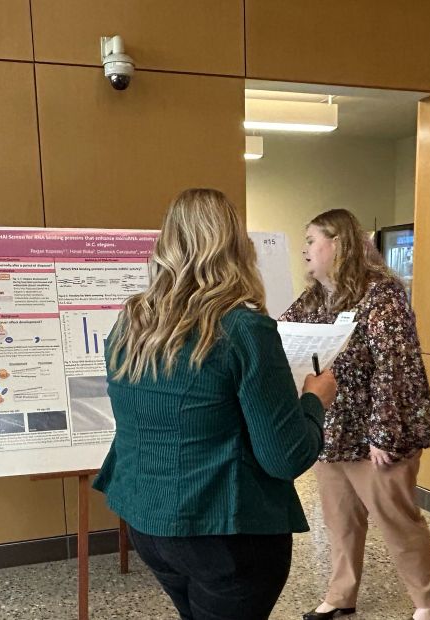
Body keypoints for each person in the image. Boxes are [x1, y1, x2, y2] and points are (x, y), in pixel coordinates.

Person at [93, 188, 337, 620]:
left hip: (148, 524)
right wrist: (315, 400)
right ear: (236, 248)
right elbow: (286, 457)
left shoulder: (131, 323)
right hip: (225, 533)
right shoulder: (244, 329)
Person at [280, 209, 430, 620]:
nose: (305, 249)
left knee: (396, 520)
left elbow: (396, 366)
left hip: (376, 432)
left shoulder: (381, 294)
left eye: (313, 239)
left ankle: (427, 600)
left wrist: (385, 434)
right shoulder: (316, 297)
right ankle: (341, 594)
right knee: (339, 521)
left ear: (339, 243)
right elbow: (280, 334)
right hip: (332, 430)